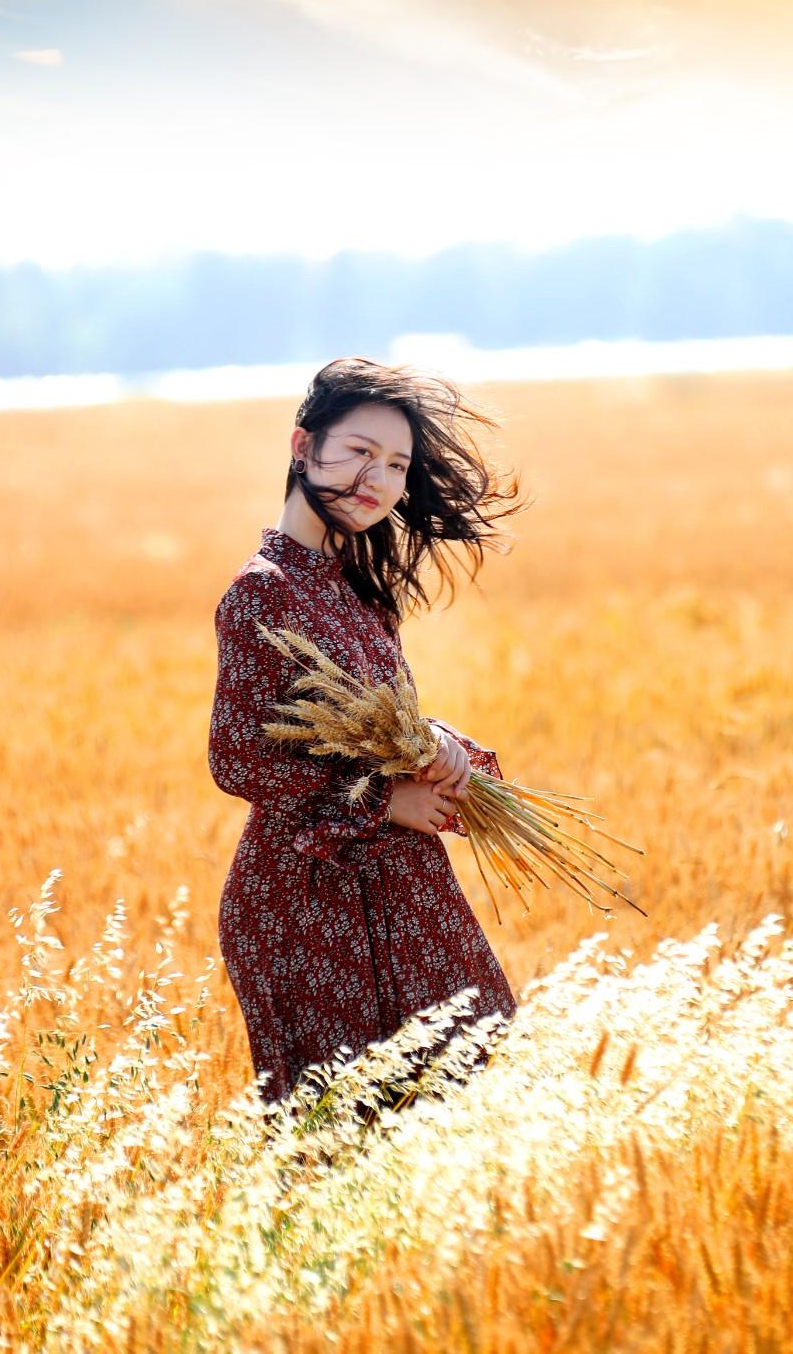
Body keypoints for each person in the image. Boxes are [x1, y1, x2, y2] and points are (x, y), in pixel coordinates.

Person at [209, 355, 529, 1119]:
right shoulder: (262, 591)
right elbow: (239, 755)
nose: (377, 479)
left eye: (396, 464)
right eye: (358, 452)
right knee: (342, 1136)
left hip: (397, 885)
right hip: (306, 899)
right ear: (301, 446)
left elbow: (376, 720)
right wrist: (388, 800)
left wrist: (441, 747)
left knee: (474, 1085)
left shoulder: (352, 587)